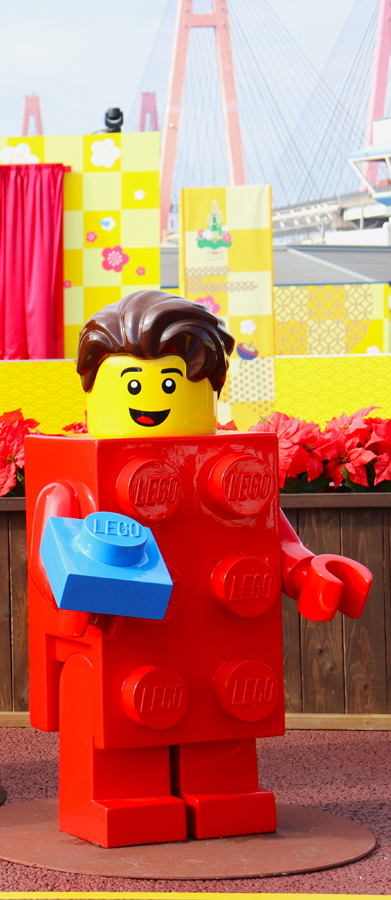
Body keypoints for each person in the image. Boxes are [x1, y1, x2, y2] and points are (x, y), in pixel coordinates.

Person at [25, 290, 371, 848]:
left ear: (207, 387)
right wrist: (76, 594)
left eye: (170, 383)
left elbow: (273, 540)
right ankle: (117, 799)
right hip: (122, 637)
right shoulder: (75, 478)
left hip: (219, 641)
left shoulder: (234, 470)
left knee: (226, 709)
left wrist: (309, 570)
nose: (151, 399)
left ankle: (223, 793)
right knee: (111, 717)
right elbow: (48, 555)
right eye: (133, 384)